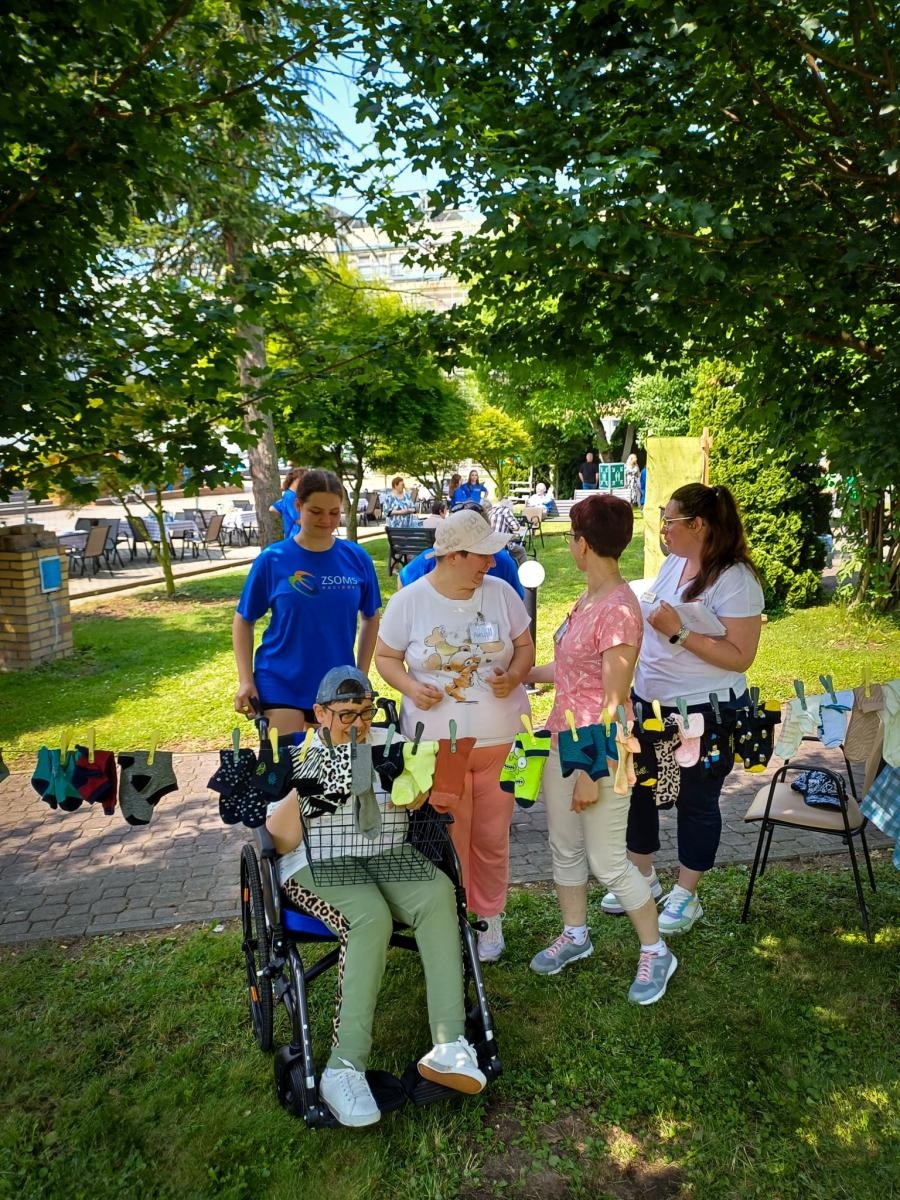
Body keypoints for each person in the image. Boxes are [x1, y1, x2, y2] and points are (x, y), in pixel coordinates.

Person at [265, 666, 486, 1128]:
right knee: (369, 916)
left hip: (386, 852)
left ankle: (449, 1044)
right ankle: (343, 1067)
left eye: (364, 712)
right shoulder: (299, 753)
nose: (357, 724)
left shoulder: (389, 742)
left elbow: (417, 795)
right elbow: (279, 840)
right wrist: (311, 784)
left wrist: (418, 788)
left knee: (439, 891)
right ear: (320, 714)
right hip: (316, 863)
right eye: (346, 715)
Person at [526, 495, 677, 1003]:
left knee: (608, 861)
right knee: (564, 847)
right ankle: (576, 934)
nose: (571, 544)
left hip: (602, 749)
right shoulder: (588, 599)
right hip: (561, 738)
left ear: (582, 544)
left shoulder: (616, 609)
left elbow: (613, 699)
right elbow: (573, 673)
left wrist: (593, 770)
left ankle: (657, 951)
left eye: (571, 536)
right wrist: (522, 674)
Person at [602, 482, 763, 933]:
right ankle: (644, 877)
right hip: (650, 703)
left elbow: (740, 656)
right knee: (640, 791)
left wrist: (680, 633)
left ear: (699, 525)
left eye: (669, 520)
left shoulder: (736, 580)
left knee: (697, 799)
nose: (662, 528)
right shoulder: (674, 563)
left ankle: (686, 894)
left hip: (704, 712)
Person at [376, 509, 534, 963]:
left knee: (492, 835)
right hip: (436, 746)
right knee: (447, 836)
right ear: (454, 555)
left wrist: (516, 675)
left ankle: (489, 918)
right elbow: (385, 657)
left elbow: (524, 646)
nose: (491, 562)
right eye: (482, 555)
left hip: (501, 741)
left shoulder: (502, 592)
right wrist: (409, 686)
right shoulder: (410, 600)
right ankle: (452, 917)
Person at [232, 469, 382, 735]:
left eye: (334, 513)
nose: (326, 520)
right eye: (316, 511)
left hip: (336, 686)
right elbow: (244, 619)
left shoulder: (357, 558)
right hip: (279, 680)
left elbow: (371, 616)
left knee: (331, 770)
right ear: (298, 506)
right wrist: (246, 680)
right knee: (284, 768)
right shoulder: (273, 559)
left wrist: (360, 674)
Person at [398, 502, 525, 597]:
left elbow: (516, 605)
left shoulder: (503, 561)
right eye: (481, 552)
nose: (492, 562)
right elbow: (404, 578)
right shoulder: (433, 558)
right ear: (452, 556)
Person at [486, 498, 528, 567]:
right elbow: (516, 527)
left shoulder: (492, 510)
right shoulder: (506, 510)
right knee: (521, 550)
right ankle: (524, 571)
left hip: (490, 542)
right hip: (501, 543)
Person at [269, 467, 305, 539]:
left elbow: (272, 508)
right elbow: (299, 521)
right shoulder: (291, 497)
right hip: (296, 537)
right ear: (297, 479)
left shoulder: (289, 495)